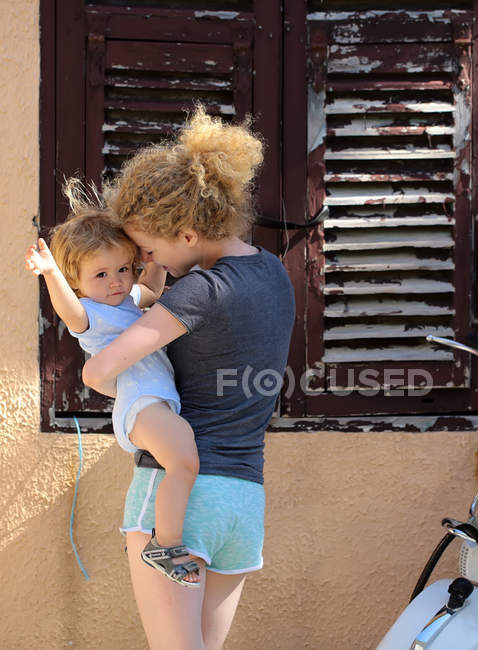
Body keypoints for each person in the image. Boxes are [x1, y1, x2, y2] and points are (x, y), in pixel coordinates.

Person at [82, 106, 296, 650]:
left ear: (187, 230)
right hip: (243, 502)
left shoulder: (197, 293)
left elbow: (101, 370)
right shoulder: (274, 273)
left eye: (149, 250)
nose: (145, 261)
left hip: (179, 497)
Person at [25, 194, 202, 587]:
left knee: (184, 460)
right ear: (78, 283)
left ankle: (163, 538)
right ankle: (166, 544)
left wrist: (155, 255)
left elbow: (151, 284)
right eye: (101, 275)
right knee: (184, 461)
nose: (116, 281)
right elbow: (69, 310)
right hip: (141, 403)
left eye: (122, 268)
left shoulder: (127, 300)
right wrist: (52, 273)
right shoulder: (94, 314)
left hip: (157, 401)